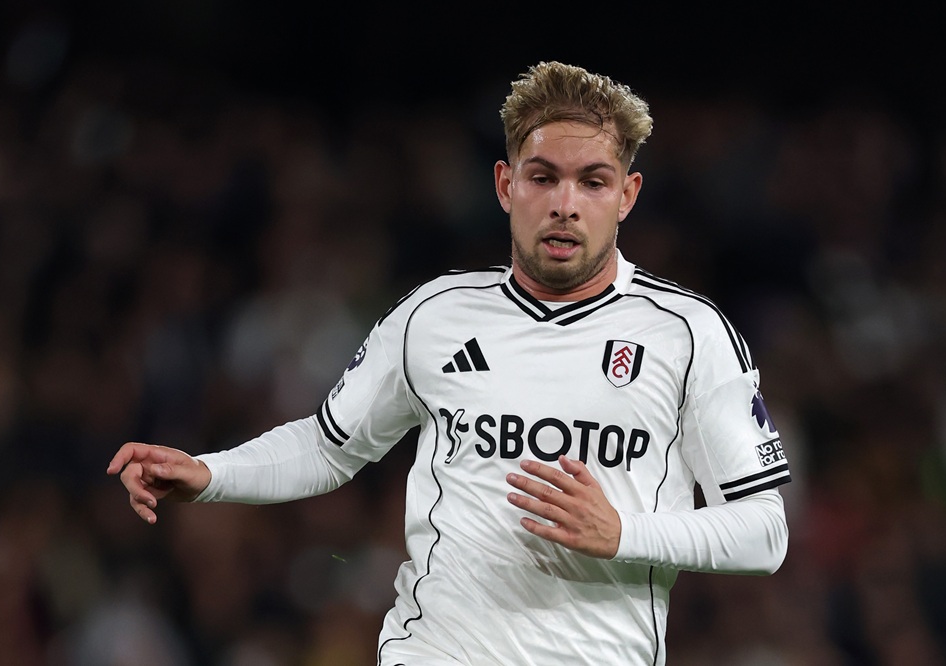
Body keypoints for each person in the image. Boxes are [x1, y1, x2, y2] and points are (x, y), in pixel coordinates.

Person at [109, 60, 791, 665]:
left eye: (592, 182)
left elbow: (764, 532)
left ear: (627, 195)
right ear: (505, 184)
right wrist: (210, 473)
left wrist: (624, 533)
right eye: (543, 176)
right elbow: (329, 447)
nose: (564, 204)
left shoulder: (688, 333)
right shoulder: (434, 316)